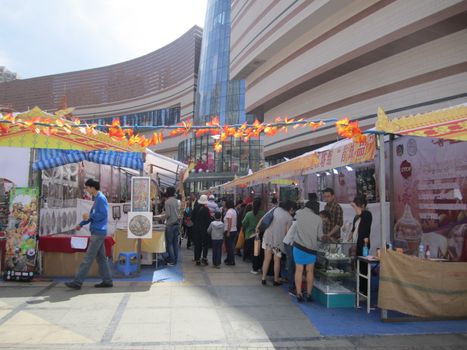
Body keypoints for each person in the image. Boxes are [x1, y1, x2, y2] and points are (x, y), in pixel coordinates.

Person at [65, 179, 112, 290]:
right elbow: (92, 215)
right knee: (101, 259)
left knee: (88, 258)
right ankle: (107, 280)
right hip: (98, 231)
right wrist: (81, 224)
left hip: (98, 232)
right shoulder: (97, 198)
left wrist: (89, 217)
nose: (86, 190)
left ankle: (77, 282)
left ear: (92, 187)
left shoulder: (100, 198)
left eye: (87, 187)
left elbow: (103, 214)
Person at [292, 201, 323, 302]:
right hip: (311, 248)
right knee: (310, 271)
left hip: (298, 246)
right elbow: (320, 236)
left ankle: (299, 294)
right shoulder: (318, 219)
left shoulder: (298, 213)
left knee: (299, 270)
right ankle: (309, 294)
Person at [261, 200, 296, 286]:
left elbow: (263, 218)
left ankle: (263, 278)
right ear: (291, 208)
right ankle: (276, 280)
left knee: (267, 259)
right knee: (277, 260)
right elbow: (286, 232)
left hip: (268, 237)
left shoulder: (274, 209)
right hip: (278, 241)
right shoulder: (289, 218)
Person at [349, 195, 372, 293]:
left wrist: (353, 205)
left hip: (364, 245)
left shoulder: (367, 214)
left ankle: (364, 290)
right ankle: (358, 288)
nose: (355, 208)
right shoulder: (356, 217)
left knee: (363, 268)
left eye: (358, 206)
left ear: (363, 206)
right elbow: (353, 229)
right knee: (356, 268)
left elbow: (360, 212)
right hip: (355, 244)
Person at [242, 199, 264, 265]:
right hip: (260, 235)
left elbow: (243, 223)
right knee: (259, 252)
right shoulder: (263, 213)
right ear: (260, 205)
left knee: (253, 252)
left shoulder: (249, 214)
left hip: (250, 235)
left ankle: (254, 267)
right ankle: (258, 266)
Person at [193, 195, 211, 266]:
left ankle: (197, 259)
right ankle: (204, 258)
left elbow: (192, 218)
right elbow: (208, 221)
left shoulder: (195, 208)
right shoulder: (206, 210)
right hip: (204, 230)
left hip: (196, 229)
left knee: (197, 244)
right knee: (205, 244)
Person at [164, 187, 180, 266]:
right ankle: (175, 260)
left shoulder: (167, 202)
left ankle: (172, 260)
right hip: (176, 224)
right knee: (175, 244)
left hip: (170, 225)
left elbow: (168, 214)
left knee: (169, 244)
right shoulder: (177, 201)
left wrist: (161, 216)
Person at [223, 199, 238, 266]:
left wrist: (228, 232)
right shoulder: (234, 211)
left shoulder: (229, 212)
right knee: (230, 246)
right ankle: (228, 259)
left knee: (230, 247)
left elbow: (229, 222)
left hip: (230, 230)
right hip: (234, 230)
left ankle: (231, 261)